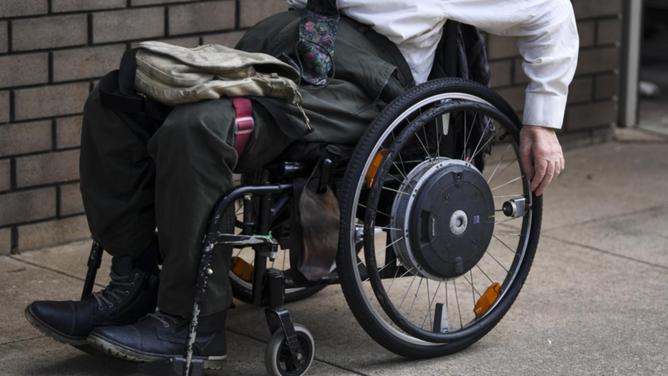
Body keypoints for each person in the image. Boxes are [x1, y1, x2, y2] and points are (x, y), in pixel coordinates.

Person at [25, 0, 578, 364]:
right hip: (289, 55)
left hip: (361, 90)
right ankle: (136, 281)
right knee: (121, 93)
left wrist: (542, 121)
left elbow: (551, 11)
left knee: (200, 127)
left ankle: (190, 326)